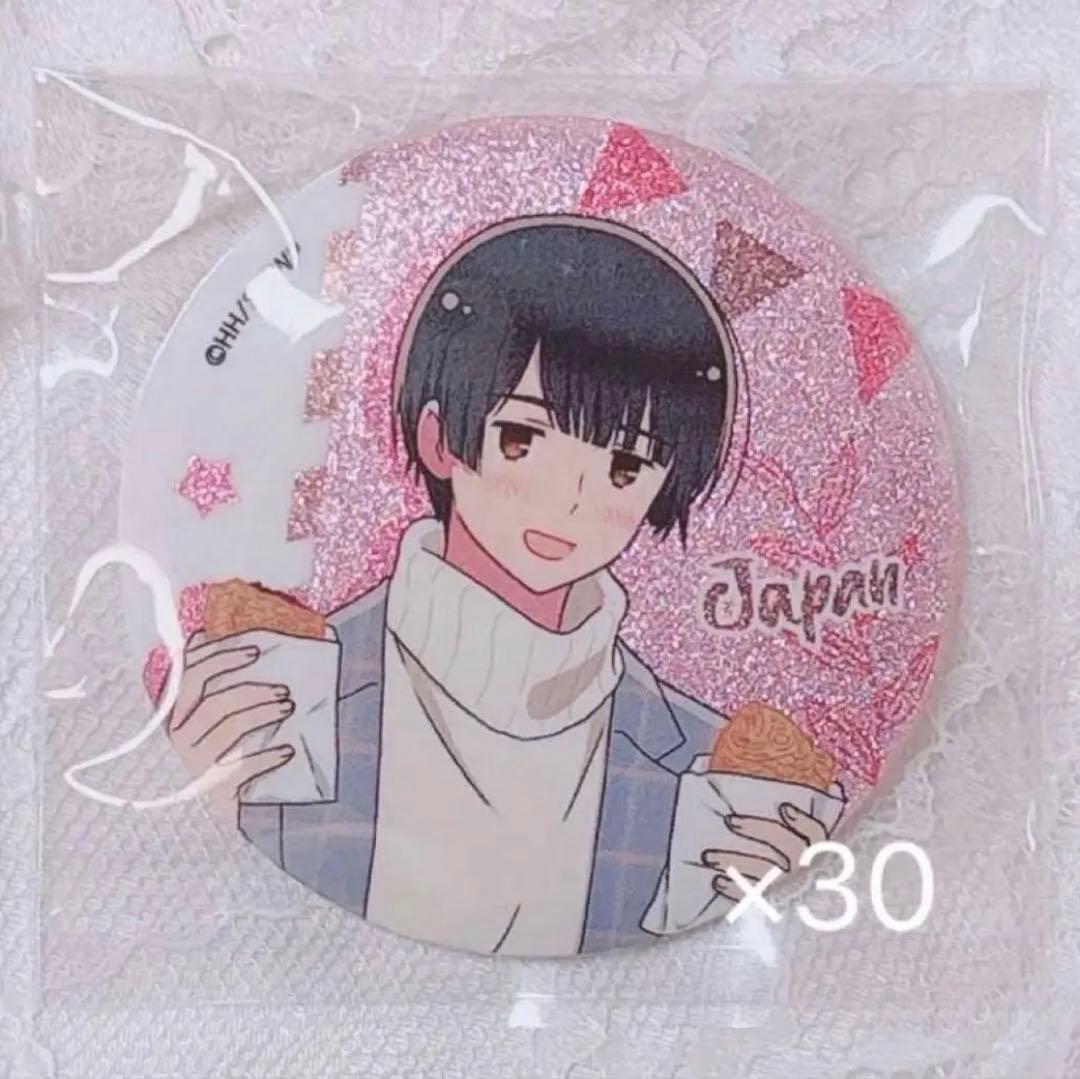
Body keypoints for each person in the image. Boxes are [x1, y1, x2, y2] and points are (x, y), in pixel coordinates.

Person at [167, 216, 835, 955]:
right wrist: (206, 792)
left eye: (625, 467)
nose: (569, 502)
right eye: (523, 439)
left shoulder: (697, 769)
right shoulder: (289, 693)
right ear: (439, 439)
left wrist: (762, 889)